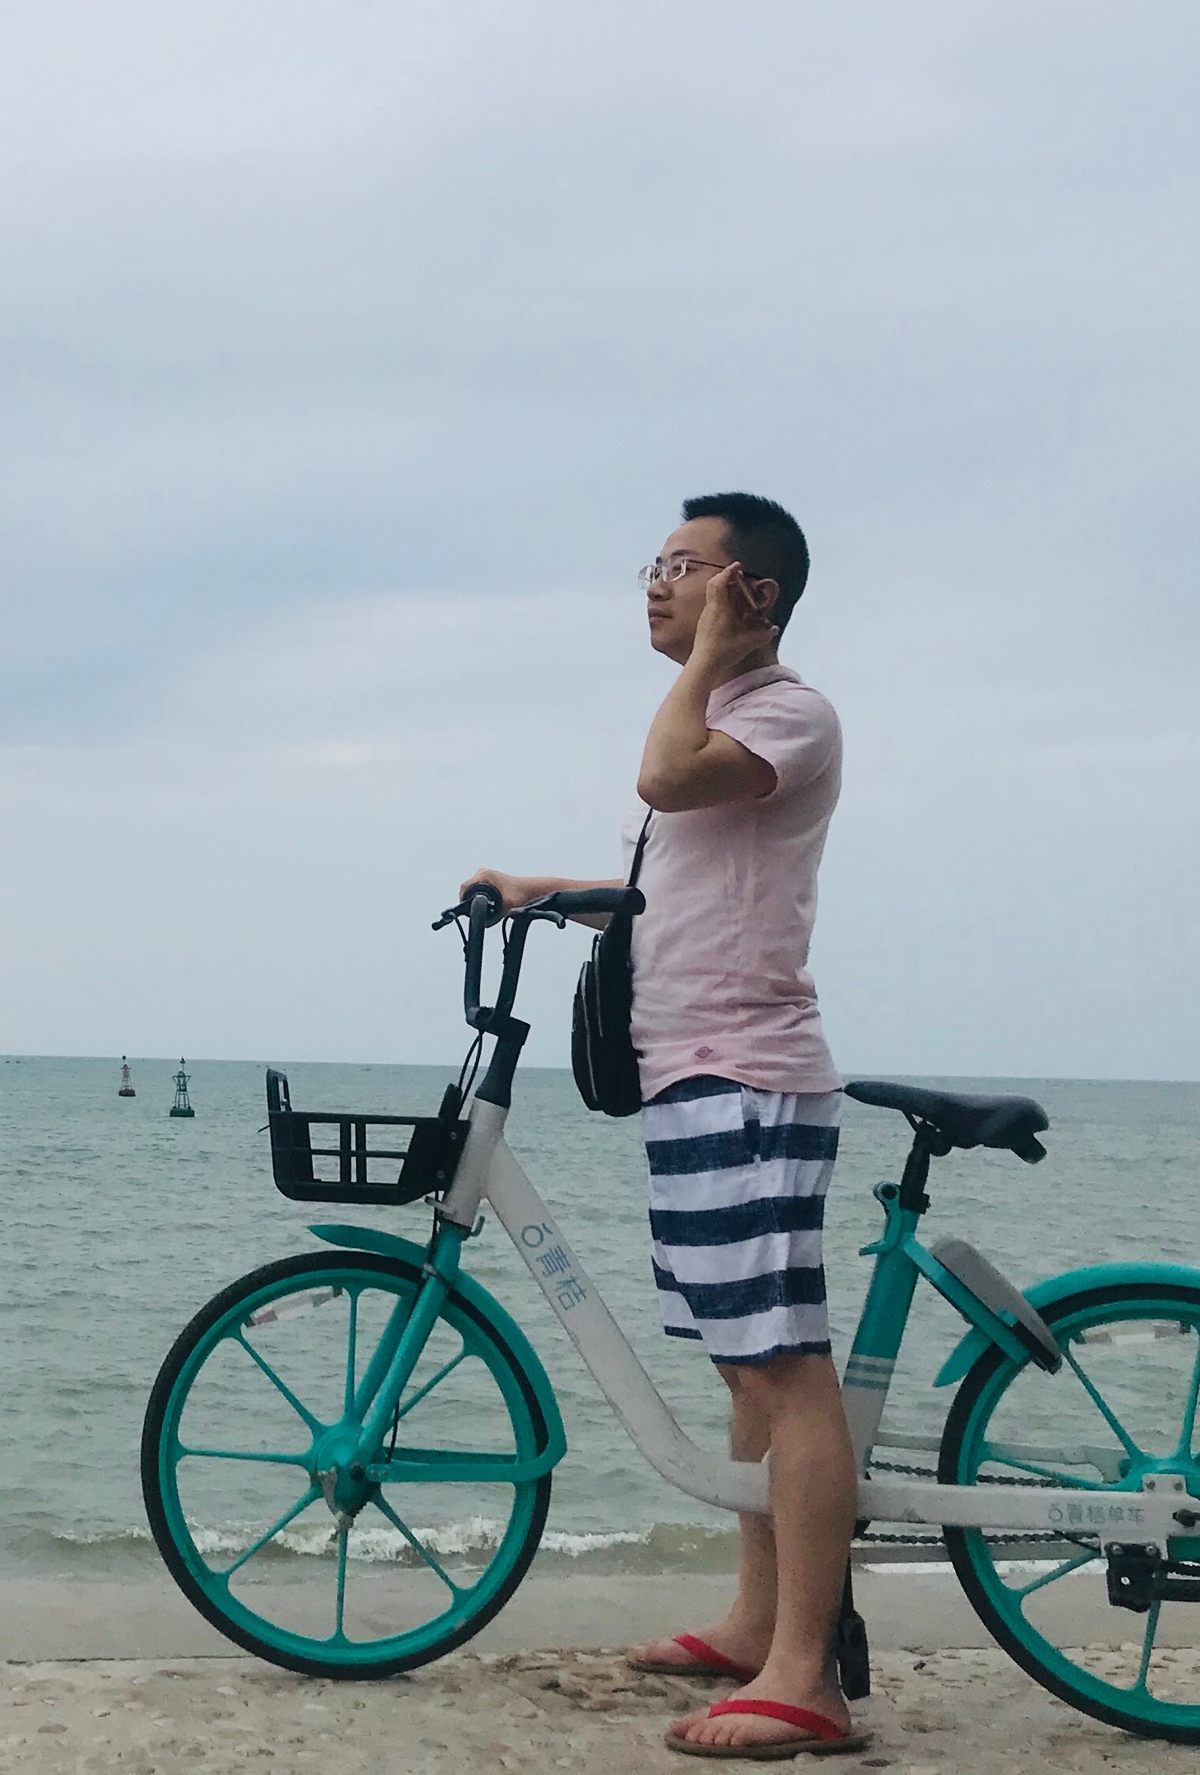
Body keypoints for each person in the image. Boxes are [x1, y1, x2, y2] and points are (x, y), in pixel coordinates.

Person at [465, 492, 864, 1760]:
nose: (652, 583)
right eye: (653, 563)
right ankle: (754, 1623)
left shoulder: (785, 712)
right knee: (742, 1366)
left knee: (784, 1372)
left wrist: (707, 660)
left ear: (753, 594)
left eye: (684, 567)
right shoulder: (718, 723)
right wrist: (539, 891)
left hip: (746, 1075)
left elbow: (662, 776)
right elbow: (661, 895)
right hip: (692, 1077)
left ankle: (806, 1678)